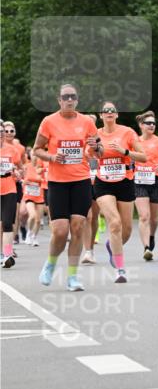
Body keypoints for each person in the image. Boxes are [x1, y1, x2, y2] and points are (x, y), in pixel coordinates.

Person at [32, 84, 99, 290]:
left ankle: (72, 277)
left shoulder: (87, 122)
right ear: (59, 100)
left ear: (77, 100)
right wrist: (52, 156)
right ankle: (50, 264)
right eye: (65, 97)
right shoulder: (49, 122)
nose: (69, 100)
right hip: (57, 182)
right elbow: (36, 150)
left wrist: (96, 147)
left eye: (73, 97)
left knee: (78, 227)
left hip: (80, 180)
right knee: (60, 231)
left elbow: (98, 151)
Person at [94, 102, 146, 283]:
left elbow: (143, 156)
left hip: (125, 181)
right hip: (103, 182)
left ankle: (112, 246)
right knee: (114, 223)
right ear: (100, 115)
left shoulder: (127, 132)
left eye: (112, 110)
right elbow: (88, 155)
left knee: (126, 230)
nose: (109, 112)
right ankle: (120, 269)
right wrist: (94, 149)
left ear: (117, 115)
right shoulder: (95, 134)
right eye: (105, 110)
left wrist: (124, 151)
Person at [134, 110, 158, 260]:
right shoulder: (135, 141)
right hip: (139, 181)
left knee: (154, 219)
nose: (151, 125)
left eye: (154, 123)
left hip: (156, 181)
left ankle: (151, 236)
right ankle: (146, 248)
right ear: (141, 125)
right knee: (144, 216)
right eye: (148, 123)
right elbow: (128, 158)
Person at [0, 121, 24, 268]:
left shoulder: (13, 150)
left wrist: (18, 173)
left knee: (8, 223)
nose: (1, 134)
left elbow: (21, 169)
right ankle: (1, 253)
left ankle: (7, 254)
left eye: (1, 132)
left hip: (10, 187)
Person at [3, 122, 26, 245]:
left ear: (15, 133)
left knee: (14, 214)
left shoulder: (19, 148)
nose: (8, 133)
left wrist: (19, 173)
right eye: (6, 131)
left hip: (13, 184)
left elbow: (23, 166)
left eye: (11, 131)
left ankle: (12, 241)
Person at [81, 114, 100, 264]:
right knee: (87, 216)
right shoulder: (78, 139)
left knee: (94, 217)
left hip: (99, 182)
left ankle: (91, 249)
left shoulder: (100, 138)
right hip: (83, 180)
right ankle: (87, 251)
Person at [22, 151, 47, 247]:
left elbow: (46, 181)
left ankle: (34, 236)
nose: (35, 157)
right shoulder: (26, 167)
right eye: (33, 155)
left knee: (38, 219)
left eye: (37, 155)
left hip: (39, 195)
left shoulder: (42, 169)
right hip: (29, 195)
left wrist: (41, 179)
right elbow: (22, 179)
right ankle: (29, 233)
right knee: (32, 215)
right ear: (30, 156)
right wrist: (26, 181)